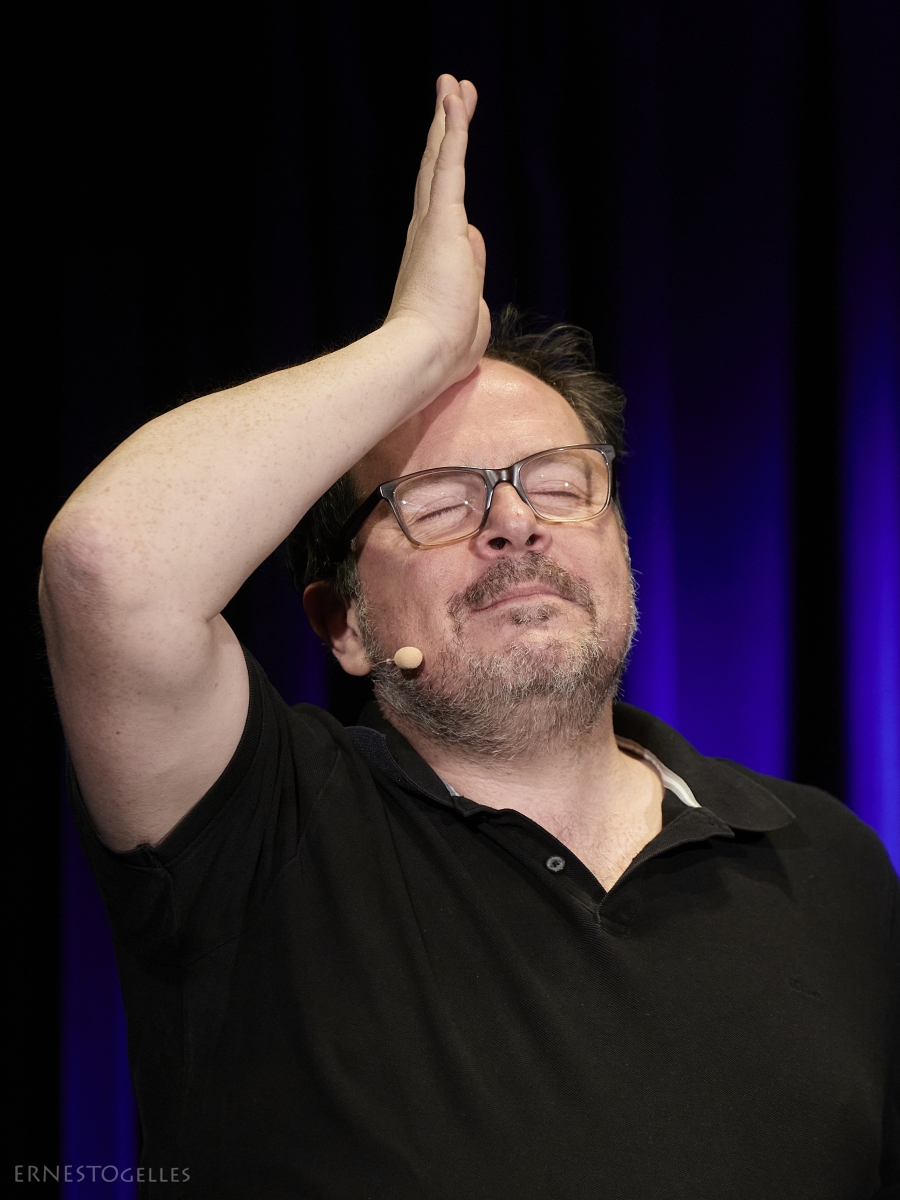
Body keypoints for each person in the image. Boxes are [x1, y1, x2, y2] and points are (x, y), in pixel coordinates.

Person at [41, 76, 898, 1199]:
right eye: (440, 502)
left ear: (624, 550)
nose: (515, 522)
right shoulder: (261, 832)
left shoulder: (826, 861)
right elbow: (108, 564)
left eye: (560, 484)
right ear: (344, 625)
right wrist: (421, 342)